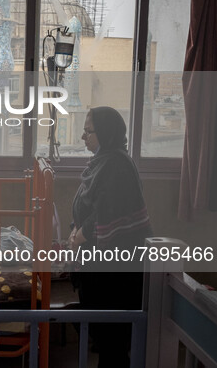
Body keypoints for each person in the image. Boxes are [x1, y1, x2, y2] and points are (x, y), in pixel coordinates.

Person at [69, 106, 152, 368]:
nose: (84, 137)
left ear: (106, 132)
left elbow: (109, 212)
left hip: (117, 268)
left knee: (113, 340)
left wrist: (81, 234)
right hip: (102, 264)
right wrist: (76, 231)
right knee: (106, 337)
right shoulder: (103, 161)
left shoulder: (116, 164)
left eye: (88, 131)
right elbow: (92, 205)